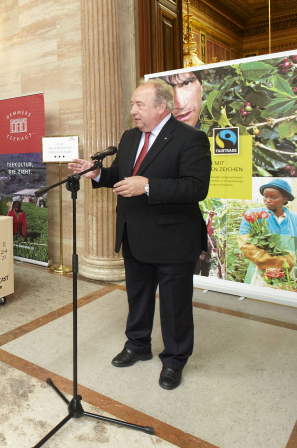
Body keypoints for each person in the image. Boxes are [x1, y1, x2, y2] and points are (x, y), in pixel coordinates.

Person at [68, 79, 211, 390]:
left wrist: (147, 185)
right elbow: (119, 175)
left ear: (162, 107)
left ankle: (174, 359)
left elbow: (196, 187)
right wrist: (96, 173)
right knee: (138, 297)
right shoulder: (130, 137)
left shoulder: (191, 139)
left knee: (174, 305)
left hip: (173, 239)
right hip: (135, 235)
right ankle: (137, 345)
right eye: (133, 104)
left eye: (139, 105)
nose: (132, 110)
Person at [238, 179, 297, 285]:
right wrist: (274, 261)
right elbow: (245, 243)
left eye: (274, 197)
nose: (268, 200)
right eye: (265, 196)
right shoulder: (253, 214)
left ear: (284, 199)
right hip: (259, 272)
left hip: (287, 273)